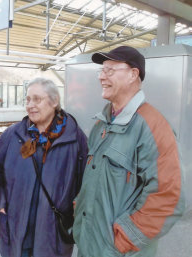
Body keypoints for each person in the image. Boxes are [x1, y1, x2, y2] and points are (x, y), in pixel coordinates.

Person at [73, 46, 185, 257]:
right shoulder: (101, 125)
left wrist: (125, 238)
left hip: (119, 251)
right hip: (89, 244)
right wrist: (80, 207)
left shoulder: (153, 126)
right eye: (101, 71)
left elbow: (170, 196)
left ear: (134, 74)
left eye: (110, 70)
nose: (102, 77)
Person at [0, 78, 88, 257]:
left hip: (52, 231)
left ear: (54, 101)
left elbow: (86, 180)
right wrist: (1, 199)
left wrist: (76, 210)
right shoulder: (13, 135)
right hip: (16, 224)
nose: (30, 105)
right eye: (27, 100)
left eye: (37, 99)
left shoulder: (75, 138)